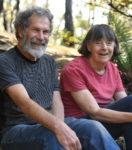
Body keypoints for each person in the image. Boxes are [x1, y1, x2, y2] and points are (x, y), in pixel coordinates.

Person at [0, 7, 122, 150]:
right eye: (35, 30)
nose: (41, 37)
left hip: (47, 125)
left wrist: (62, 126)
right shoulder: (5, 61)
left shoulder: (49, 61)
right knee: (53, 137)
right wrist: (58, 128)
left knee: (93, 127)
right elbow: (24, 103)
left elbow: (56, 101)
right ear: (21, 31)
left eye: (45, 32)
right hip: (15, 131)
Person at [60, 24, 132, 150]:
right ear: (88, 46)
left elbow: (124, 101)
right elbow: (94, 113)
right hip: (80, 127)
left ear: (114, 46)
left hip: (103, 123)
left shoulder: (112, 68)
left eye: (109, 43)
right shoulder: (74, 70)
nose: (104, 48)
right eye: (98, 43)